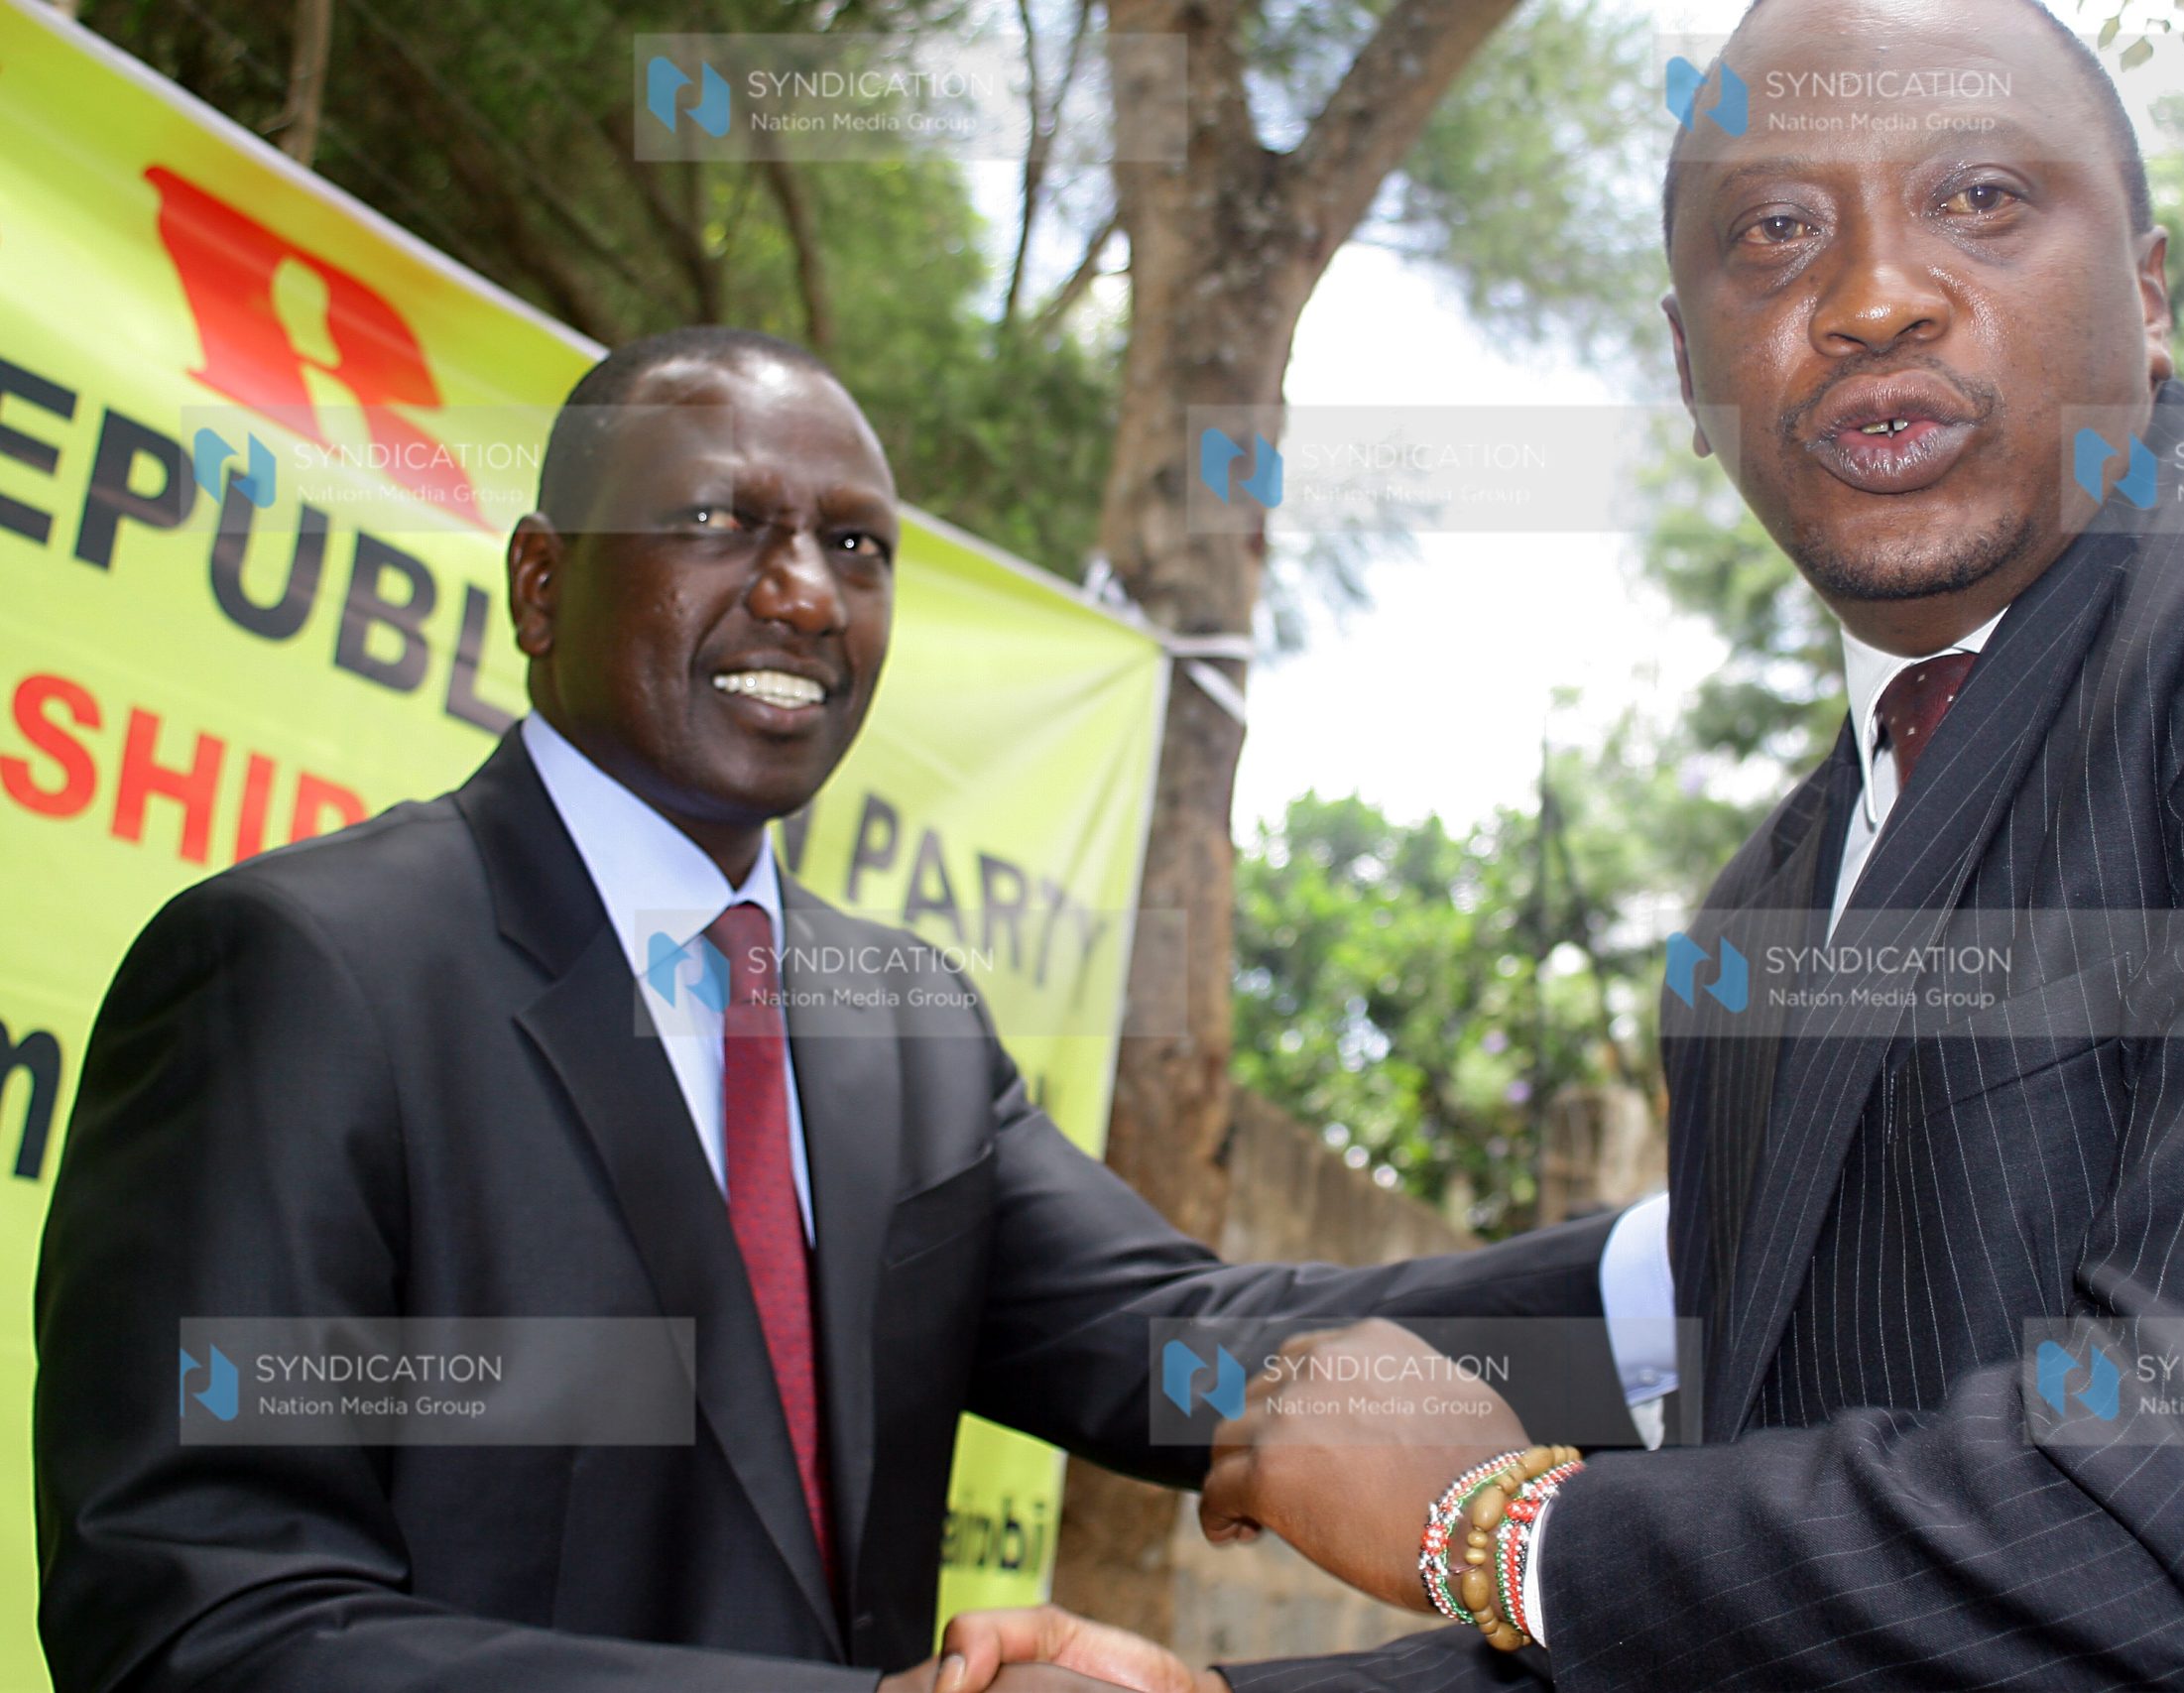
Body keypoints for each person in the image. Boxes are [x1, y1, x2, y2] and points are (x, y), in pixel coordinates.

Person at [934, 0, 2184, 1685]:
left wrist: (1500, 1524)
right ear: (1689, 376)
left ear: (2146, 289)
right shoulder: (1758, 929)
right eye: (1774, 233)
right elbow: (1791, 1631)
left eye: (1982, 198)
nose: (1869, 297)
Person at [30, 326, 1671, 1693]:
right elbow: (204, 1619)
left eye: (856, 545)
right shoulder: (302, 975)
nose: (805, 593)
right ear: (542, 586)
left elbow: (1190, 1359)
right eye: (717, 525)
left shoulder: (905, 1028)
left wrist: (1691, 1282)